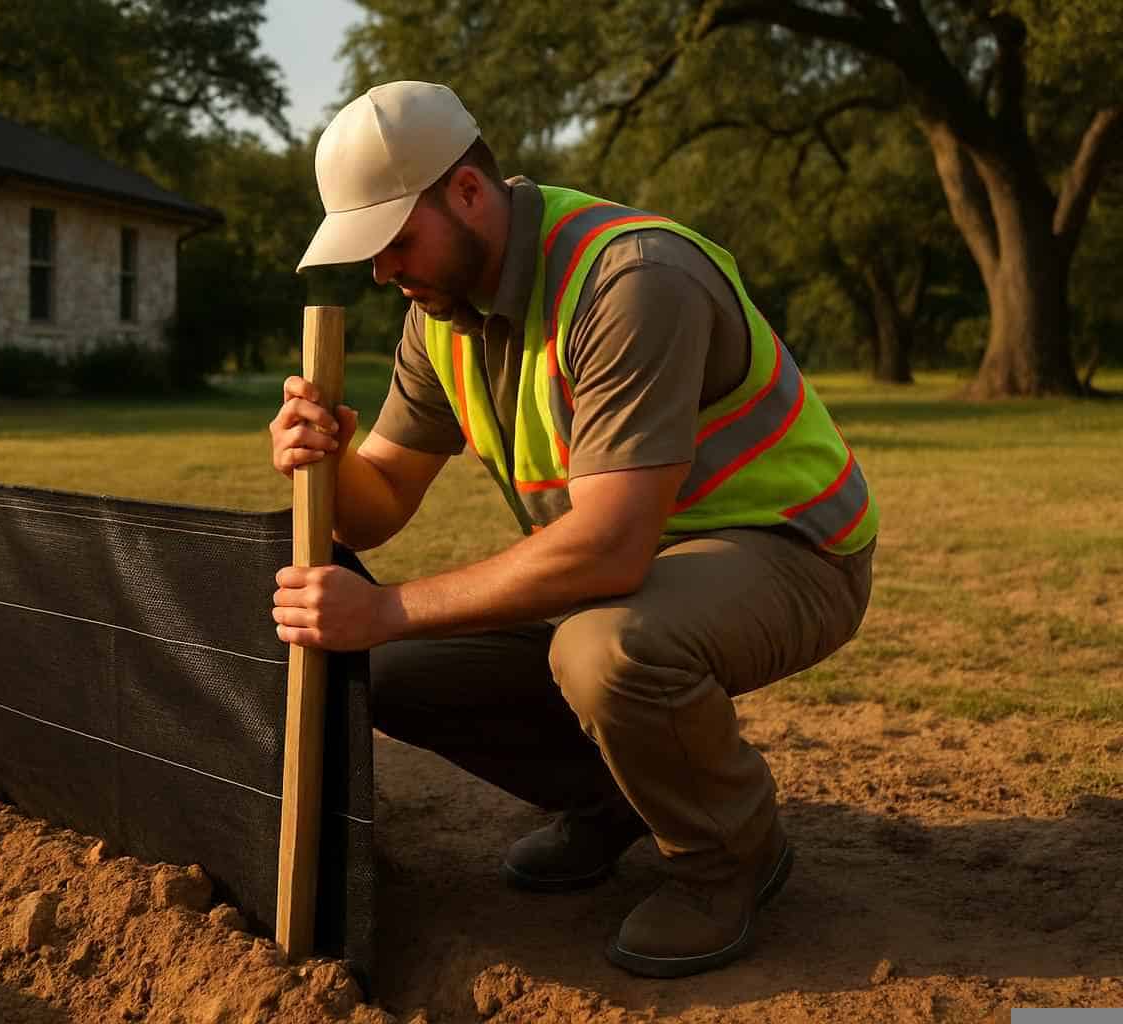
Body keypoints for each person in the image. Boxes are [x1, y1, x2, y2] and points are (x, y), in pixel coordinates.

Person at [267, 81, 876, 978]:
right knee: (387, 669)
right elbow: (380, 503)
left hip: (789, 547)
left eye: (397, 240)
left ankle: (727, 860)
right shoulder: (440, 315)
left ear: (468, 192)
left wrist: (386, 606)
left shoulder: (633, 279)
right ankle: (618, 801)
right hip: (627, 564)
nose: (385, 271)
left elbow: (610, 548)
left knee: (606, 651)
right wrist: (324, 459)